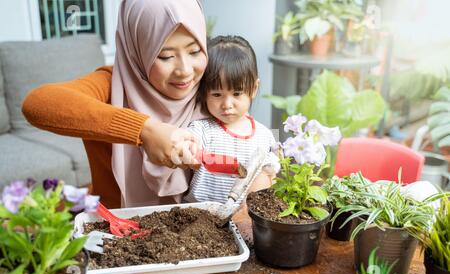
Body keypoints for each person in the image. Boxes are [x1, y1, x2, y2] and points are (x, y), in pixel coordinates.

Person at [22, 0, 210, 209]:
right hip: (115, 225)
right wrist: (144, 130)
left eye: (195, 51)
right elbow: (37, 103)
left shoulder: (213, 84)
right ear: (137, 50)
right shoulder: (112, 86)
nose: (184, 70)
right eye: (165, 56)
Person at [183, 35, 280, 204]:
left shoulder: (266, 135)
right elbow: (186, 147)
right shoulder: (201, 130)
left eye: (236, 94)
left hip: (245, 220)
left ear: (254, 88)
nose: (227, 104)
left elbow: (273, 172)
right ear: (203, 92)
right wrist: (186, 151)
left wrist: (272, 166)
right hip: (202, 216)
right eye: (217, 94)